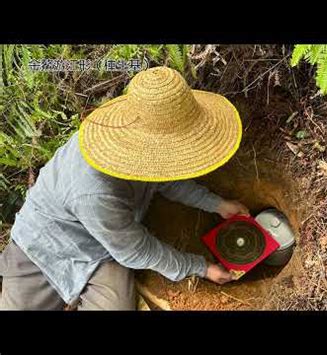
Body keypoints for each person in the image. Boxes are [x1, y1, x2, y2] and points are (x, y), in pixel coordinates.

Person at [0, 66, 249, 310]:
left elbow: (166, 178)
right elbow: (136, 250)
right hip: (44, 244)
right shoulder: (95, 190)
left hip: (102, 246)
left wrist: (217, 205)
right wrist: (200, 267)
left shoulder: (141, 129)